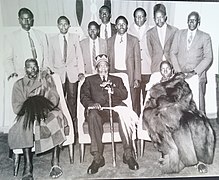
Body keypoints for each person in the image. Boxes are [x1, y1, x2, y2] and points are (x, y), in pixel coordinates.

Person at [142, 64, 215, 174]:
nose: (165, 71)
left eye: (167, 69)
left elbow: (187, 98)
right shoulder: (156, 88)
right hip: (163, 114)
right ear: (160, 71)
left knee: (197, 124)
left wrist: (175, 108)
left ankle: (199, 160)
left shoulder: (180, 82)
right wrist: (161, 109)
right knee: (163, 124)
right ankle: (175, 157)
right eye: (163, 69)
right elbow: (150, 104)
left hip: (182, 110)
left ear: (172, 70)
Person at [8, 59, 68, 179]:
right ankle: (28, 167)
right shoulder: (19, 84)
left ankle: (55, 162)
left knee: (56, 118)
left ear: (38, 67)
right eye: (29, 67)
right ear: (25, 69)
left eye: (35, 67)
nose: (33, 70)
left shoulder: (46, 79)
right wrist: (31, 110)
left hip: (47, 110)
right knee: (24, 125)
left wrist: (45, 107)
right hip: (27, 114)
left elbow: (53, 96)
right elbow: (17, 107)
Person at [80, 54, 139, 174]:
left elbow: (124, 94)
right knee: (92, 115)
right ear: (96, 68)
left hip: (115, 107)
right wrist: (92, 103)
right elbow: (83, 96)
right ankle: (98, 158)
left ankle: (128, 154)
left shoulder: (117, 79)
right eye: (100, 66)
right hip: (99, 109)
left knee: (125, 114)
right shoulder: (89, 80)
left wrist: (113, 90)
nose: (103, 69)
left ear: (108, 67)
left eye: (105, 66)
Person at [170, 11, 213, 114]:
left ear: (198, 22)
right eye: (189, 20)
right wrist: (179, 72)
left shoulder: (205, 37)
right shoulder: (179, 34)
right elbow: (172, 52)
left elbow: (208, 57)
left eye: (194, 20)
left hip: (196, 76)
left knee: (198, 105)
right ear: (187, 21)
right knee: (180, 105)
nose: (191, 22)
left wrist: (194, 72)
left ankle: (201, 124)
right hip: (181, 74)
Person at [48, 16, 84, 135]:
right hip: (59, 74)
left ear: (69, 25)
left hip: (72, 73)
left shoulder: (74, 38)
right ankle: (63, 126)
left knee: (72, 99)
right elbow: (50, 58)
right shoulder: (52, 40)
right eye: (61, 24)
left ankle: (74, 126)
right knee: (59, 99)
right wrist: (53, 73)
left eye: (65, 24)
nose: (63, 26)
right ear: (58, 26)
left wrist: (80, 72)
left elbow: (79, 55)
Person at [107, 15, 142, 116]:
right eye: (119, 24)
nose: (121, 26)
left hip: (129, 74)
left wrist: (137, 79)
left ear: (127, 26)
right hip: (115, 74)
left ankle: (135, 125)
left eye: (123, 24)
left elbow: (137, 60)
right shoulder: (110, 41)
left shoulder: (134, 40)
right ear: (116, 27)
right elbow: (108, 60)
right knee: (118, 100)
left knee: (133, 101)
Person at [4, 7, 48, 80]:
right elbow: (7, 59)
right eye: (23, 19)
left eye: (28, 18)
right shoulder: (11, 37)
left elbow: (46, 55)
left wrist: (46, 69)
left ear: (32, 20)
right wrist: (12, 72)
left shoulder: (41, 35)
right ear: (19, 20)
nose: (26, 21)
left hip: (40, 75)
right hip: (22, 76)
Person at [128, 7, 152, 104]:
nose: (139, 19)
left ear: (145, 18)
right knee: (135, 97)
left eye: (141, 17)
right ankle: (136, 117)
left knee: (147, 98)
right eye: (137, 17)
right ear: (134, 18)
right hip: (134, 70)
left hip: (147, 68)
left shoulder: (150, 31)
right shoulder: (129, 31)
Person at [147, 3, 178, 73]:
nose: (159, 20)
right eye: (156, 18)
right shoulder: (149, 33)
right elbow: (150, 51)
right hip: (156, 66)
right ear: (154, 19)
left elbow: (176, 50)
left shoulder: (174, 31)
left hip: (171, 66)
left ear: (165, 17)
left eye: (161, 17)